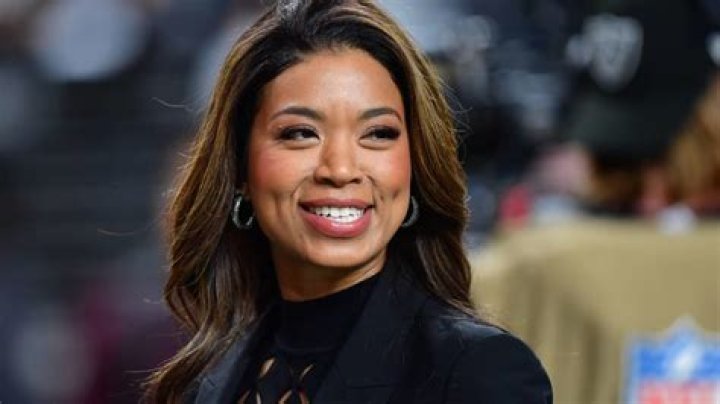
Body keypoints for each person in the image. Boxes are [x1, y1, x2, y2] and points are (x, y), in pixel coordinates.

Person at [143, 1, 552, 403]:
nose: (340, 169)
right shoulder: (201, 384)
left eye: (378, 134)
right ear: (239, 170)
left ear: (415, 166)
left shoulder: (477, 371)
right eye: (300, 133)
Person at [471, 0, 720, 402]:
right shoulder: (530, 270)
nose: (650, 199)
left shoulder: (530, 265)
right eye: (620, 165)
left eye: (668, 161)